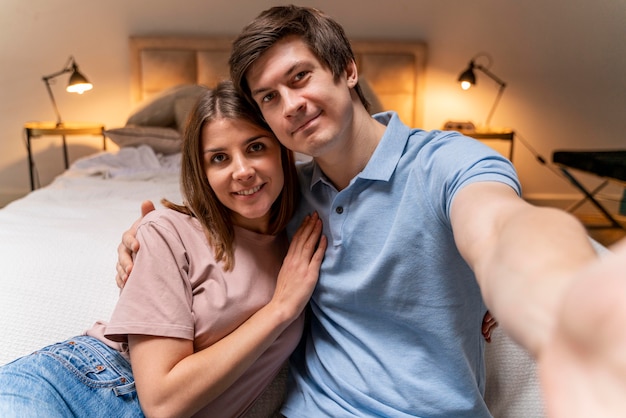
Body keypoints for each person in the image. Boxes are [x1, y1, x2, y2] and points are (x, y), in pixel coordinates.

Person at [117, 5, 626, 418]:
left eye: (300, 77)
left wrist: (561, 295)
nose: (291, 104)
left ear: (347, 69)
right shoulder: (283, 194)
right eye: (270, 97)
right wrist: (143, 238)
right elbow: (202, 226)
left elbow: (501, 227)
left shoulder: (447, 162)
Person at [0, 80, 327, 418]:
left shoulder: (307, 228)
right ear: (202, 173)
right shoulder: (170, 233)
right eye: (219, 158)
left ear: (283, 151)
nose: (242, 171)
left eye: (256, 147)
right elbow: (162, 403)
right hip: (83, 385)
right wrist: (279, 310)